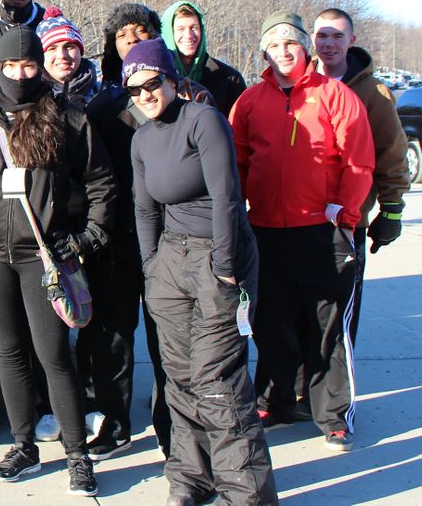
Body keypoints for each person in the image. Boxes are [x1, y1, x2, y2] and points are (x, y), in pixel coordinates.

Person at [0, 26, 115, 496]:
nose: (20, 74)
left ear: (40, 66)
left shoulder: (68, 117)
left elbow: (100, 182)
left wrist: (87, 237)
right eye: (10, 67)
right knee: (10, 352)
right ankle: (24, 446)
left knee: (54, 356)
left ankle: (77, 455)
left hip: (47, 256)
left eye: (29, 65)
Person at [127, 38, 278, 506]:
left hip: (218, 255)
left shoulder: (203, 121)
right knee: (178, 376)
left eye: (153, 83)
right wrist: (152, 267)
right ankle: (191, 480)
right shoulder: (141, 138)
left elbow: (227, 198)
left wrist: (226, 267)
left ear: (171, 79)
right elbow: (144, 208)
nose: (145, 95)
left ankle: (245, 493)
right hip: (170, 262)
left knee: (218, 380)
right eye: (135, 89)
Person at [230, 10, 374, 452]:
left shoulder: (335, 95)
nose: (283, 52)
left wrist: (344, 216)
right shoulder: (251, 100)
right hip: (267, 231)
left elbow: (359, 161)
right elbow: (234, 164)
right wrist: (238, 219)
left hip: (321, 230)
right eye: (274, 46)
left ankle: (333, 415)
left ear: (304, 47)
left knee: (325, 327)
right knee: (271, 322)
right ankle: (276, 402)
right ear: (265, 52)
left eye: (290, 44)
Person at [82, 2, 173, 460]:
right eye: (123, 35)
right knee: (112, 336)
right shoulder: (101, 108)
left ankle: (172, 424)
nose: (132, 40)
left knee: (167, 336)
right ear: (112, 46)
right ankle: (115, 423)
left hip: (171, 238)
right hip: (117, 239)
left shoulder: (180, 99)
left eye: (142, 32)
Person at [312, 8, 409, 341]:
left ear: (351, 41)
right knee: (300, 314)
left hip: (347, 224)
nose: (329, 43)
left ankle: (337, 388)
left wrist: (391, 211)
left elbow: (392, 156)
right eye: (322, 35)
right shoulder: (297, 84)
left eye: (337, 35)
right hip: (298, 221)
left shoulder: (373, 93)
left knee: (339, 319)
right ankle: (300, 391)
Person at [162, 0, 247, 117]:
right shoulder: (157, 79)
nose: (189, 36)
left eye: (194, 28)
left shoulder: (230, 79)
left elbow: (240, 126)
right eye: (180, 29)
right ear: (169, 33)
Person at [38, 6, 100, 109]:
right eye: (52, 49)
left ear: (80, 52)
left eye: (68, 47)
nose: (62, 55)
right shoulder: (31, 100)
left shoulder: (101, 94)